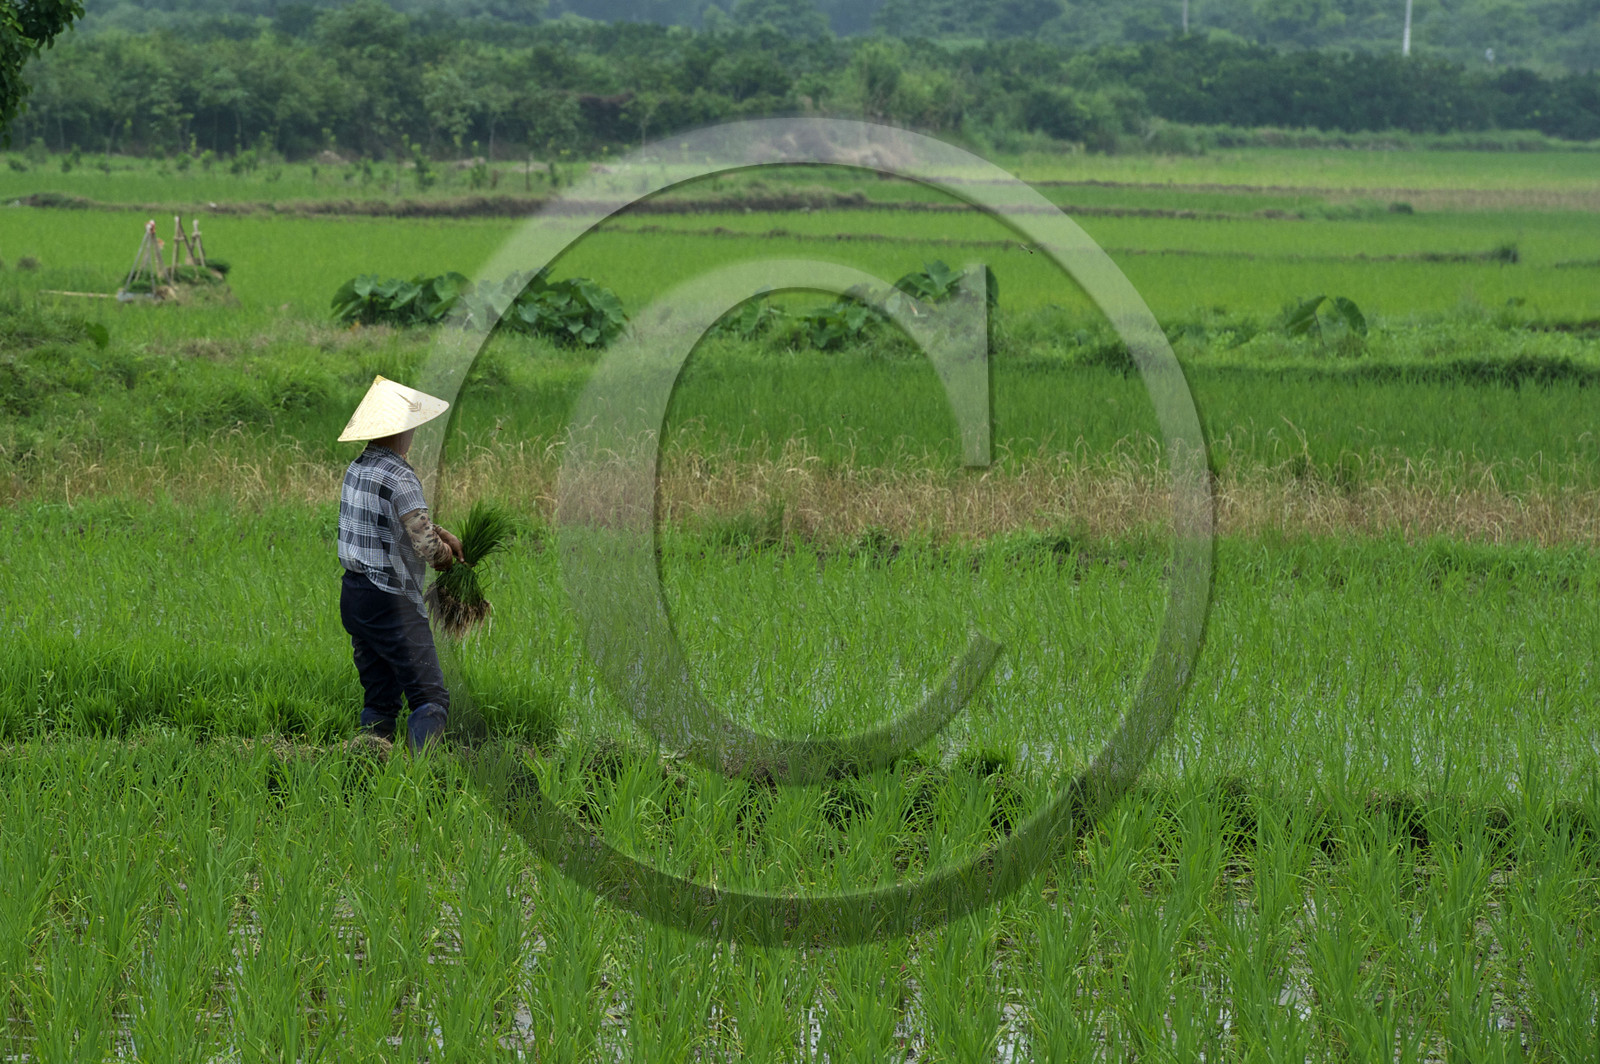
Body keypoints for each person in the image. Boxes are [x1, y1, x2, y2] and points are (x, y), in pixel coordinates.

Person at [335, 375, 465, 753]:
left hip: (355, 597)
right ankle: (421, 775)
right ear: (400, 430)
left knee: (380, 698)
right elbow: (425, 544)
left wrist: (442, 532)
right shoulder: (400, 474)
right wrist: (447, 560)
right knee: (430, 697)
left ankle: (368, 761)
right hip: (391, 600)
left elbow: (395, 522)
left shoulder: (357, 468)